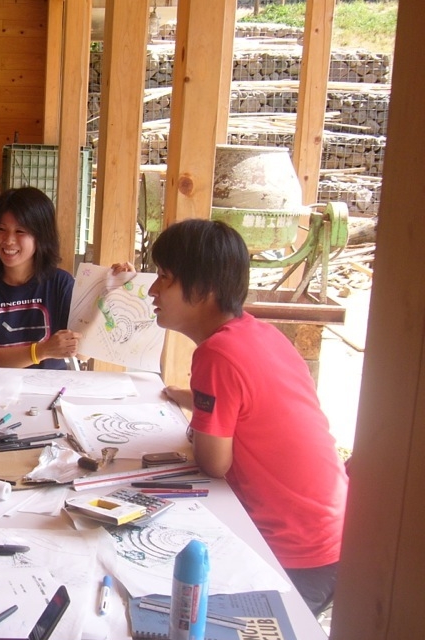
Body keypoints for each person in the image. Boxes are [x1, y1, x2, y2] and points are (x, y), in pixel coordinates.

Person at [148, 218, 348, 615]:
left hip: (293, 554)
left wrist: (196, 426)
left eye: (164, 278)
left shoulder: (216, 354)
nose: (152, 290)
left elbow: (214, 463)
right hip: (334, 538)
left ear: (204, 289)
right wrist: (189, 397)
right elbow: (254, 403)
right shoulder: (259, 334)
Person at [0, 186, 82, 369]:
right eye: (1, 229)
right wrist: (41, 351)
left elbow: (85, 350)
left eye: (20, 231)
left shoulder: (61, 284)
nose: (8, 240)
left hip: (49, 389)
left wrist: (120, 288)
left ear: (41, 236)